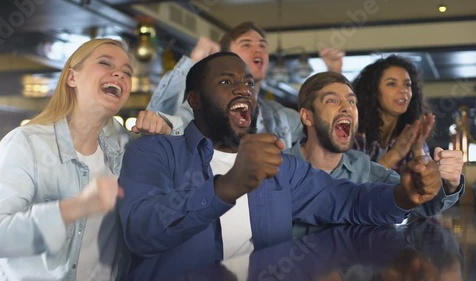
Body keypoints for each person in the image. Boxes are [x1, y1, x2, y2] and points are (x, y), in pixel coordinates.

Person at [117, 52, 443, 281]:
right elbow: (142, 232)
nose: (243, 89)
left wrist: (402, 196)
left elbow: (350, 201)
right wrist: (227, 187)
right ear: (195, 99)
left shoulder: (280, 168)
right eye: (227, 82)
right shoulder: (154, 151)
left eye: (247, 82)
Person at [0, 38, 170, 281]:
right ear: (71, 78)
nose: (119, 74)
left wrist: (167, 125)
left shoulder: (126, 147)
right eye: (105, 63)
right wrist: (74, 208)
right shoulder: (26, 143)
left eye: (127, 72)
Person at [284, 71, 465, 236]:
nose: (347, 108)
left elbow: (420, 202)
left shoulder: (368, 171)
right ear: (307, 117)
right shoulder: (276, 170)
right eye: (332, 100)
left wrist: (449, 183)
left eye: (351, 101)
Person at [144, 21, 304, 147]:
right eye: (246, 44)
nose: (258, 50)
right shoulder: (203, 108)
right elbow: (156, 123)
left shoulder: (279, 115)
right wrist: (193, 60)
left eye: (262, 45)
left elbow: (318, 126)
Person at [352, 55, 435, 171]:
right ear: (373, 91)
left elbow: (429, 185)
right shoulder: (354, 135)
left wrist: (418, 149)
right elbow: (355, 185)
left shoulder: (410, 134)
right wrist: (395, 154)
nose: (404, 90)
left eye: (407, 84)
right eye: (392, 84)